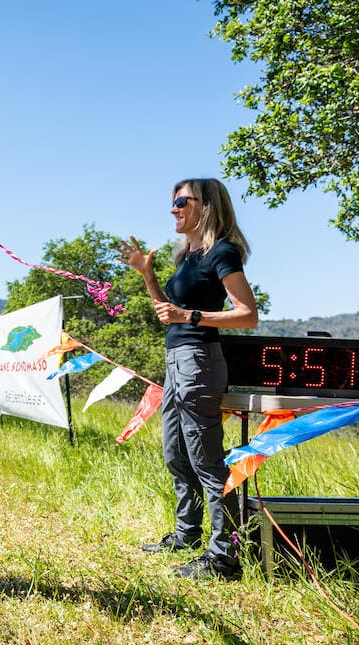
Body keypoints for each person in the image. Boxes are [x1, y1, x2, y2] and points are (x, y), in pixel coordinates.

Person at [115, 177, 258, 581]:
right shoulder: (187, 257)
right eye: (173, 202)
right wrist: (147, 274)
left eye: (182, 201)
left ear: (207, 206)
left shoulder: (223, 252)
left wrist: (191, 316)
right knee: (176, 454)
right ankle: (186, 534)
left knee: (207, 461)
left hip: (199, 361)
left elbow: (247, 314)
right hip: (175, 360)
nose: (174, 208)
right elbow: (168, 311)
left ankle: (223, 558)